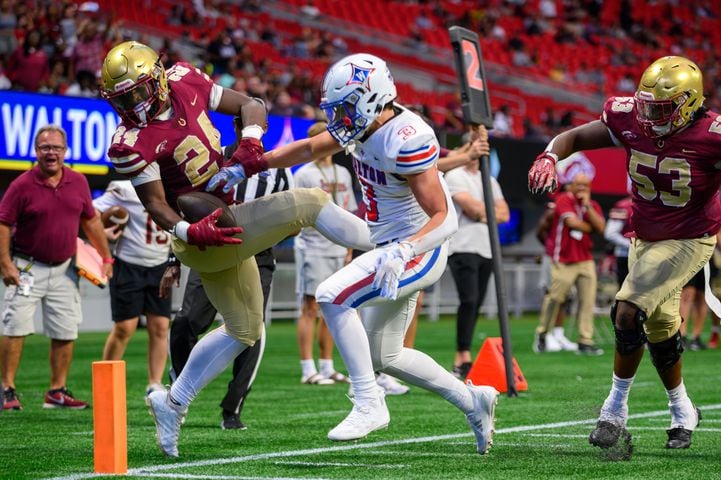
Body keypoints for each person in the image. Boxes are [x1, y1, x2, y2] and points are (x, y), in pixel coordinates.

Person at [100, 41, 373, 457]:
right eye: (124, 98)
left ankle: (172, 403)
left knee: (244, 330)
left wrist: (250, 139)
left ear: (156, 77)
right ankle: (389, 241)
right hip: (201, 232)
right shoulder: (129, 141)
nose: (134, 104)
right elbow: (155, 203)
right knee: (310, 202)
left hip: (222, 224)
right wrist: (192, 232)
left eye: (137, 92)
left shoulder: (184, 79)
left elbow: (251, 103)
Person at [218, 53, 499, 454]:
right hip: (386, 243)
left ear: (371, 98)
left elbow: (444, 217)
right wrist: (247, 166)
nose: (340, 116)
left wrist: (404, 250)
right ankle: (473, 401)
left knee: (332, 295)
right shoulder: (364, 124)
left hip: (419, 246)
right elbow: (309, 147)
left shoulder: (407, 137)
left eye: (345, 106)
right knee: (386, 354)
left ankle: (369, 402)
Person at [528, 55, 718, 456]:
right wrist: (549, 156)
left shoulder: (711, 134)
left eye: (660, 108)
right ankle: (683, 411)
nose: (648, 115)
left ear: (689, 102)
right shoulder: (628, 115)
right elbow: (576, 138)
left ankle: (613, 411)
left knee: (627, 310)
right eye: (646, 104)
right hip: (644, 237)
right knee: (661, 328)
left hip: (689, 237)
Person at [164, 116, 294, 430]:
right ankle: (180, 381)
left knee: (252, 332)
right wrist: (172, 259)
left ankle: (232, 408)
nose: (255, 133)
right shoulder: (214, 158)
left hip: (259, 255)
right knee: (186, 321)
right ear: (237, 125)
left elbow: (288, 214)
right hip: (214, 250)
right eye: (249, 126)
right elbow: (185, 211)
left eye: (261, 128)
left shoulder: (278, 169)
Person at [0, 124, 113, 411]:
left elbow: (90, 220)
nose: (51, 153)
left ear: (65, 151)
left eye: (56, 148)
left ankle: (56, 391)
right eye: (45, 147)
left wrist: (106, 257)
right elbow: (3, 223)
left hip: (65, 268)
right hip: (26, 267)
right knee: (15, 328)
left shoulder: (78, 182)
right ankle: (7, 390)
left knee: (65, 330)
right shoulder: (21, 185)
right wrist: (4, 263)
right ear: (36, 151)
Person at [93, 180, 171, 398]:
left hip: (160, 264)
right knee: (125, 327)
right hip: (129, 263)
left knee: (160, 327)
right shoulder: (125, 188)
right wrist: (103, 232)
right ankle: (106, 380)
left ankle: (154, 383)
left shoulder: (174, 185)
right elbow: (91, 213)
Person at [293, 121, 353, 385]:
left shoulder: (343, 172)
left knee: (333, 305)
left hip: (338, 246)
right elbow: (297, 211)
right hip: (313, 246)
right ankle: (308, 368)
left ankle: (327, 365)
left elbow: (349, 209)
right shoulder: (304, 173)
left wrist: (349, 245)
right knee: (310, 307)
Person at [445, 135, 510, 379]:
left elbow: (504, 214)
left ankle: (465, 353)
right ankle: (461, 354)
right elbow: (471, 209)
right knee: (469, 300)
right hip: (463, 246)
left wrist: (485, 214)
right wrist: (488, 213)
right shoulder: (455, 175)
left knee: (477, 302)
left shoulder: (489, 180)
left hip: (486, 247)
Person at [532, 171, 605, 355]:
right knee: (555, 297)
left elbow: (602, 228)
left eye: (585, 185)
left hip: (585, 259)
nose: (581, 188)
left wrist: (587, 205)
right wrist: (590, 227)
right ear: (571, 185)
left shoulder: (592, 205)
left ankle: (585, 341)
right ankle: (542, 333)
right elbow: (573, 223)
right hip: (563, 258)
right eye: (577, 184)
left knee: (587, 300)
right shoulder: (564, 199)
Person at [604, 195, 632, 287]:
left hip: (646, 255)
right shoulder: (624, 206)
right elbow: (610, 234)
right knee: (625, 291)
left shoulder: (653, 204)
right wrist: (631, 244)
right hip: (626, 255)